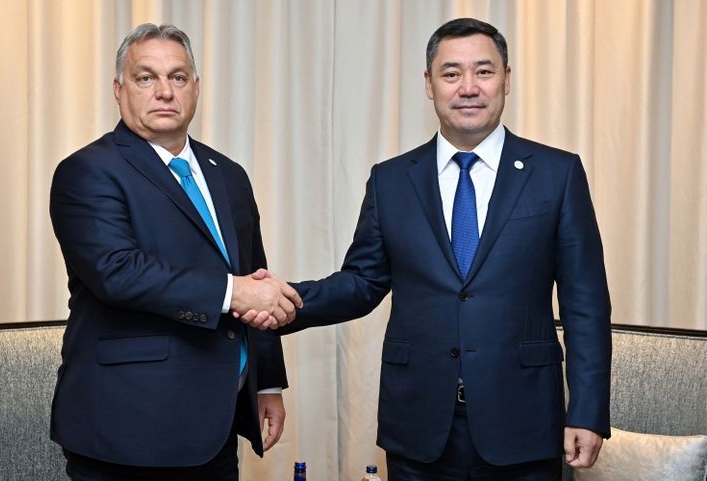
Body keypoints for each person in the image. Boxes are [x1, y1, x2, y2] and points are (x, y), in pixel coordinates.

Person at [247, 17, 612, 481]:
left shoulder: (557, 174)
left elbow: (586, 305)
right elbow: (362, 283)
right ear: (429, 83)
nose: (468, 87)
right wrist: (282, 302)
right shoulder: (391, 180)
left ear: (506, 79)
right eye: (451, 73)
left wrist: (588, 410)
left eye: (484, 71)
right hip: (418, 426)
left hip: (523, 423)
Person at [49, 23, 301, 481]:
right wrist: (233, 293)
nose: (164, 91)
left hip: (217, 423)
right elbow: (117, 272)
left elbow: (255, 276)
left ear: (196, 88)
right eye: (146, 77)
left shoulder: (228, 174)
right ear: (119, 90)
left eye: (178, 77)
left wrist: (266, 382)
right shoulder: (87, 170)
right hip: (127, 428)